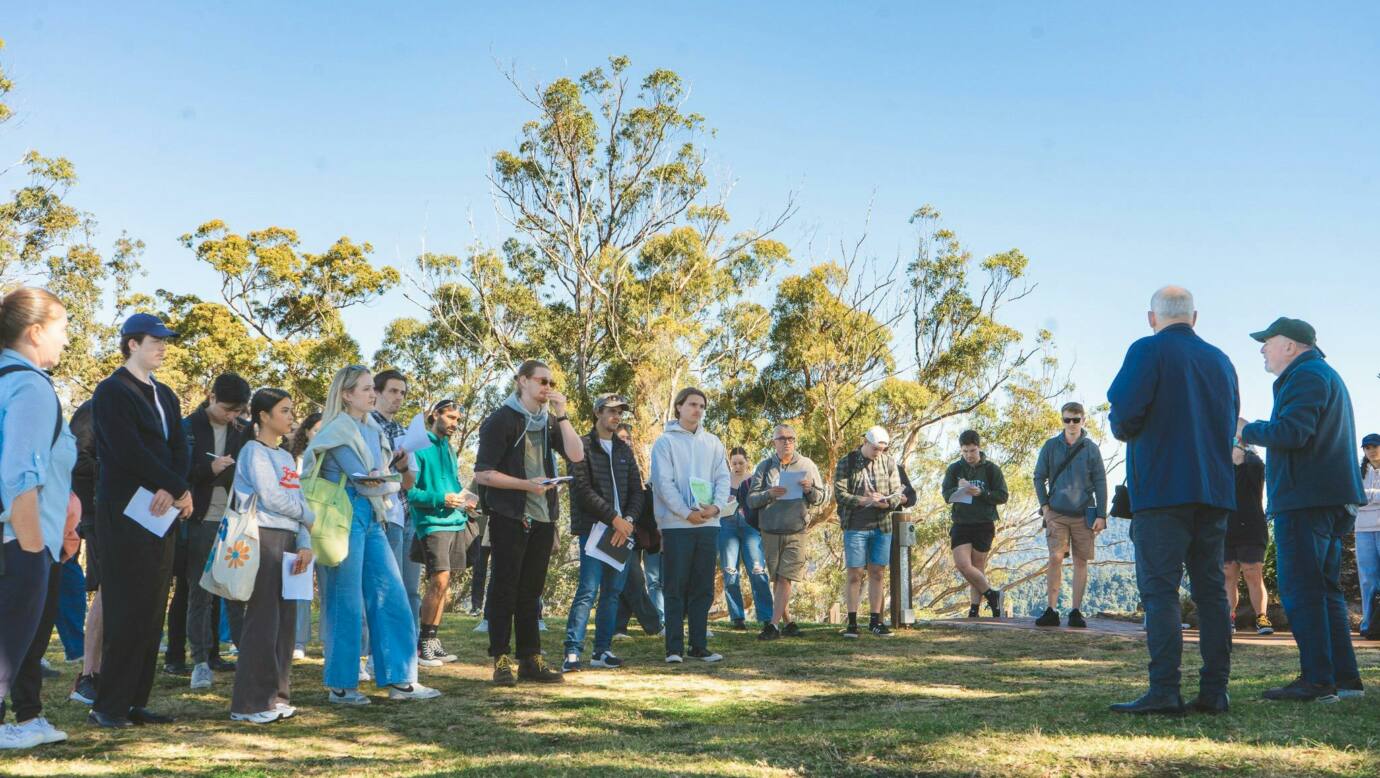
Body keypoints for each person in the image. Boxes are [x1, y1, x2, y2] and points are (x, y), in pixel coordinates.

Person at [1106, 286, 1238, 716]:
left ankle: (1164, 689)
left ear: (1152, 317)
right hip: (1215, 491)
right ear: (1194, 317)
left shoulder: (1147, 350)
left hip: (1163, 491)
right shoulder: (1222, 361)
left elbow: (1124, 414)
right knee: (1212, 592)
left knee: (1160, 592)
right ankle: (1215, 691)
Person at [1239, 317, 1367, 702]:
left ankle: (1317, 681)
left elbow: (1293, 432)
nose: (1262, 348)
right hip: (1330, 499)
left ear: (1291, 346)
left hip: (1306, 500)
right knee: (1326, 592)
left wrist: (1245, 429)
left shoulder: (1306, 377)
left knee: (1301, 590)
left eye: (1268, 341)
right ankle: (1345, 680)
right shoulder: (1323, 375)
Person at [304, 365, 439, 705]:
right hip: (343, 517)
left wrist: (397, 464)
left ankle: (401, 679)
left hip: (374, 516)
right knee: (345, 599)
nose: (372, 394)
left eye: (371, 389)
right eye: (365, 389)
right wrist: (387, 474)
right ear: (346, 394)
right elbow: (363, 479)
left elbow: (379, 477)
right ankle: (342, 685)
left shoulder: (373, 428)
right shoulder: (337, 430)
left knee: (390, 593)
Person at [89, 313, 193, 728]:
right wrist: (171, 485)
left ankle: (135, 700)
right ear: (132, 344)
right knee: (126, 608)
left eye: (166, 340)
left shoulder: (165, 394)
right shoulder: (111, 391)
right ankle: (107, 706)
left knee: (153, 608)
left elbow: (180, 445)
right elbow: (126, 450)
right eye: (156, 340)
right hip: (125, 514)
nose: (163, 346)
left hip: (161, 512)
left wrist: (176, 487)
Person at [472, 359, 584, 685]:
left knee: (532, 591)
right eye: (541, 381)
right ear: (522, 381)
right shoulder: (501, 420)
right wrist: (525, 485)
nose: (547, 388)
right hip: (510, 515)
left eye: (550, 382)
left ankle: (530, 658)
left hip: (543, 517)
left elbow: (576, 456)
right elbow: (483, 474)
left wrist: (562, 414)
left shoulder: (550, 422)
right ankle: (501, 657)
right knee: (504, 587)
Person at [0, 287, 77, 750]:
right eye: (62, 329)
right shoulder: (30, 386)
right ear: (34, 332)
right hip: (18, 541)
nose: (66, 340)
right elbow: (19, 476)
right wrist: (32, 551)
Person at [229, 388, 315, 723]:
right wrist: (307, 516)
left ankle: (277, 695)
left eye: (292, 409)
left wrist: (305, 538)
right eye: (284, 410)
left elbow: (297, 499)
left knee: (285, 622)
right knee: (262, 620)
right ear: (263, 416)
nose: (291, 416)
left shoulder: (285, 456)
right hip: (263, 538)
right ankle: (249, 704)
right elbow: (271, 498)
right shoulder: (253, 451)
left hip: (291, 540)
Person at [563, 394, 646, 671]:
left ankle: (602, 651)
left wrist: (629, 520)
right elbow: (582, 490)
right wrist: (613, 519)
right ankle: (572, 652)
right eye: (612, 411)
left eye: (620, 411)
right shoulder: (582, 446)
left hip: (623, 532)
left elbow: (637, 491)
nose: (617, 416)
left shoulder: (624, 449)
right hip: (594, 530)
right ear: (598, 412)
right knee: (587, 590)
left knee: (612, 593)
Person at [650, 387, 732, 664]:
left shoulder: (713, 442)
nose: (698, 409)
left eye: (702, 406)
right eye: (692, 404)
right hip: (677, 526)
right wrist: (686, 513)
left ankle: (699, 645)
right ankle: (674, 648)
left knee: (703, 587)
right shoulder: (665, 443)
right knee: (675, 587)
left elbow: (723, 478)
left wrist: (716, 508)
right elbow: (663, 484)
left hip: (709, 524)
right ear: (679, 407)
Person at [182, 373, 252, 690]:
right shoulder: (189, 428)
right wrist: (208, 470)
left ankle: (246, 656)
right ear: (211, 398)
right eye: (228, 409)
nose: (232, 416)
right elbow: (177, 472)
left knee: (236, 592)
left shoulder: (242, 431)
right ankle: (200, 662)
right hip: (200, 519)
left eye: (238, 411)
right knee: (200, 594)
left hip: (235, 521)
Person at [410, 399, 477, 667]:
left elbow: (453, 484)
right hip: (431, 524)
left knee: (445, 583)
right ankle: (424, 644)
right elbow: (411, 491)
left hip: (455, 521)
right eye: (450, 418)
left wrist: (465, 502)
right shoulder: (419, 446)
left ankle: (433, 641)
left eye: (458, 420)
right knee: (438, 580)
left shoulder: (448, 449)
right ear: (435, 415)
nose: (454, 424)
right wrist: (442, 499)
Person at [1032, 402, 1108, 628]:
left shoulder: (1091, 449)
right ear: (1062, 420)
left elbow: (1100, 481)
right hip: (1056, 512)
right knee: (1055, 558)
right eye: (1067, 420)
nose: (1072, 424)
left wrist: (1102, 514)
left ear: (1083, 420)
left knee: (1080, 561)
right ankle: (1051, 610)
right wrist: (1045, 508)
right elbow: (1038, 477)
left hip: (1084, 513)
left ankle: (1076, 611)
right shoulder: (1051, 446)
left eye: (1076, 419)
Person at [834, 426, 915, 637]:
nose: (878, 452)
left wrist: (884, 503)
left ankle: (875, 621)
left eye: (882, 449)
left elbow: (898, 493)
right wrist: (864, 501)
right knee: (855, 573)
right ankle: (852, 621)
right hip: (855, 526)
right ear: (866, 442)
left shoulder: (889, 463)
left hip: (882, 526)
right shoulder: (847, 462)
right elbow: (840, 494)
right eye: (875, 448)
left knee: (877, 573)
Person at [749, 424, 826, 641]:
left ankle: (772, 626)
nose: (787, 442)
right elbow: (751, 499)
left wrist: (809, 490)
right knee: (777, 578)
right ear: (774, 442)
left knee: (785, 577)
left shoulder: (807, 465)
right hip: (770, 530)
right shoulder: (764, 467)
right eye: (781, 438)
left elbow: (820, 498)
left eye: (790, 438)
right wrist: (769, 494)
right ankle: (788, 621)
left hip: (796, 530)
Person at [371, 369, 422, 627]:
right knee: (384, 587)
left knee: (407, 587)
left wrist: (402, 467)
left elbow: (410, 482)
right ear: (376, 392)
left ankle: (408, 648)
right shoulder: (366, 425)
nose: (398, 397)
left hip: (402, 514)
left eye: (402, 393)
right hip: (378, 514)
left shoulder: (404, 431)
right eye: (393, 391)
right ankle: (373, 651)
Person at [941, 430, 1008, 620]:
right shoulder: (954, 469)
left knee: (977, 568)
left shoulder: (991, 469)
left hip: (984, 523)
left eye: (972, 450)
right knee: (963, 565)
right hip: (961, 523)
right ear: (960, 450)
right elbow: (946, 495)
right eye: (965, 451)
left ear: (979, 447)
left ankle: (974, 609)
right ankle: (992, 594)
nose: (969, 455)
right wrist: (960, 489)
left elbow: (1002, 495)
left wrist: (983, 493)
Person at [721, 446, 772, 631]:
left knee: (757, 570)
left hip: (750, 528)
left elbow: (763, 501)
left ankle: (766, 616)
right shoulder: (723, 480)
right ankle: (737, 617)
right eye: (734, 463)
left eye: (741, 462)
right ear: (730, 463)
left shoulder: (753, 480)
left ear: (747, 462)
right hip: (727, 526)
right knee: (730, 571)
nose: (737, 466)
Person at [1223, 443, 1272, 635]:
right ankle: (1228, 617)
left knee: (1253, 573)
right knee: (1228, 575)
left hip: (1252, 528)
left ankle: (1262, 616)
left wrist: (1246, 446)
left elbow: (1258, 463)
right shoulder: (1223, 470)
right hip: (1226, 528)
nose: (1233, 448)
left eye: (1236, 445)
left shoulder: (1254, 467)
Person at [289, 411, 322, 659]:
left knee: (329, 586)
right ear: (306, 432)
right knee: (300, 584)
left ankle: (328, 639)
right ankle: (298, 640)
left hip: (328, 527)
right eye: (315, 430)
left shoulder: (334, 460)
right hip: (299, 524)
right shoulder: (292, 458)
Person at [1359, 433, 1380, 640]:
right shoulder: (1358, 472)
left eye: (1375, 446)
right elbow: (1356, 498)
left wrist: (1370, 498)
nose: (1371, 450)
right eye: (1367, 447)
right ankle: (1368, 623)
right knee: (1368, 579)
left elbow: (1365, 498)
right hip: (1363, 529)